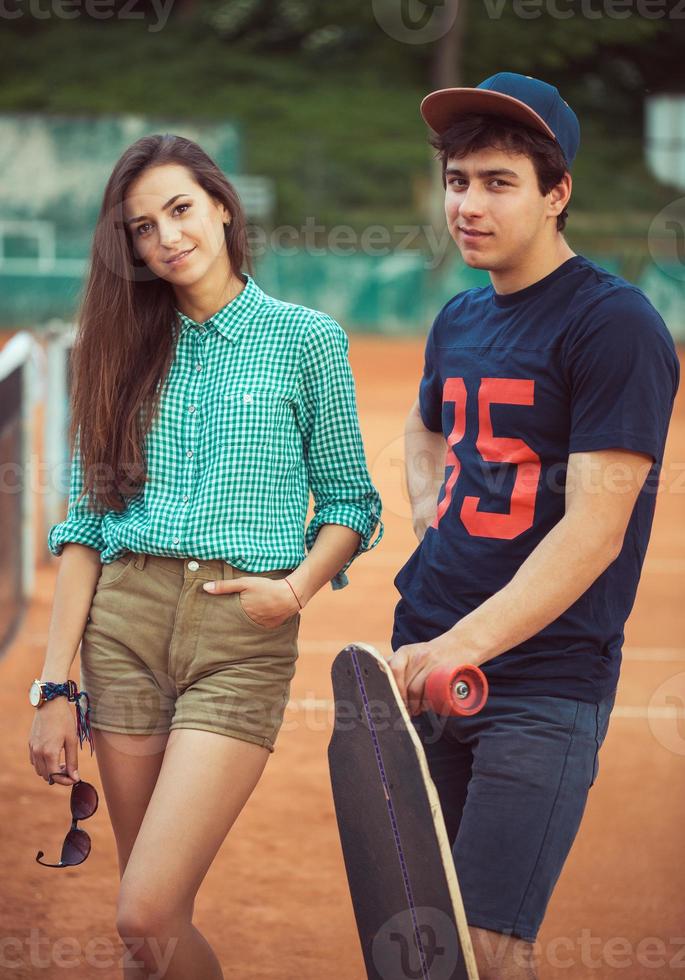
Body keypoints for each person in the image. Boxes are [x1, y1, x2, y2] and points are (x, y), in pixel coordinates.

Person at [28, 134, 382, 979]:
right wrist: (53, 685)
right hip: (124, 629)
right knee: (152, 938)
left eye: (180, 210)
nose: (167, 238)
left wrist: (294, 590)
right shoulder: (112, 349)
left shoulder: (305, 341)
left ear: (221, 204)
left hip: (239, 637)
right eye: (143, 228)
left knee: (144, 908)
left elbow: (351, 505)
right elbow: (85, 524)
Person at [389, 73, 679, 980]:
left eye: (497, 182)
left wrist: (459, 645)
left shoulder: (614, 326)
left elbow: (594, 532)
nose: (467, 204)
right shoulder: (460, 315)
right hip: (429, 648)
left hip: (540, 683)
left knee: (487, 946)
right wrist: (428, 514)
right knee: (418, 935)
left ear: (557, 193)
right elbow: (425, 423)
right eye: (457, 180)